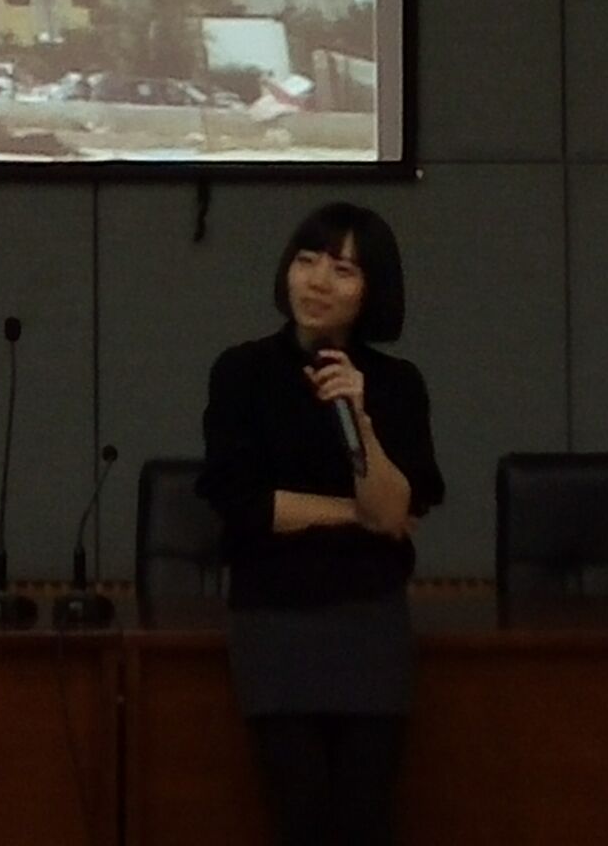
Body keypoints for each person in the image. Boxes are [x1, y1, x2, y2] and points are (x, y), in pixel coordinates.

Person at [197, 201, 444, 846]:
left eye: (342, 269)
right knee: (299, 817)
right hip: (274, 618)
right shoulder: (242, 372)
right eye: (306, 261)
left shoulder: (395, 384)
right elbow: (247, 506)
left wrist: (360, 418)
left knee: (367, 818)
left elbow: (392, 507)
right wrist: (354, 515)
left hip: (369, 621)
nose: (317, 281)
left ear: (371, 289)